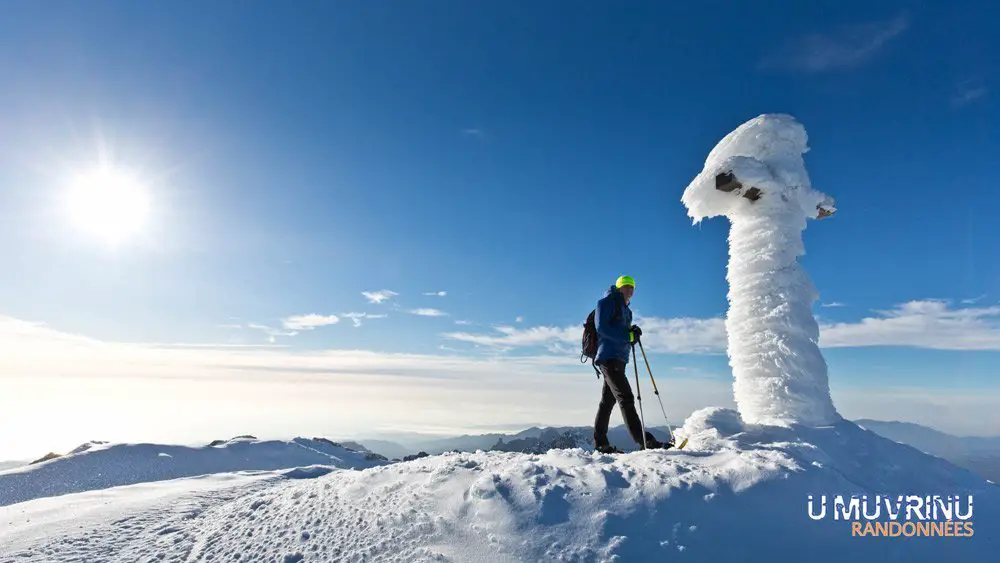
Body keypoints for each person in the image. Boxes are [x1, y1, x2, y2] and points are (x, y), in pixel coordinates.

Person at [593, 275, 673, 453]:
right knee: (626, 398)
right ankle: (645, 441)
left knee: (607, 402)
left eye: (632, 287)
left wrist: (632, 333)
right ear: (618, 287)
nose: (630, 289)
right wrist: (627, 336)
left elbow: (621, 332)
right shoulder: (606, 303)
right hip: (608, 357)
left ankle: (600, 443)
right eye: (626, 286)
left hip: (619, 359)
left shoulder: (627, 311)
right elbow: (602, 328)